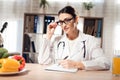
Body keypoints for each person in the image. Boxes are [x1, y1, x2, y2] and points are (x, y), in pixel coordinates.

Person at [38, 6, 110, 70]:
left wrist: (77, 64)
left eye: (67, 20)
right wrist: (48, 36)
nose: (64, 25)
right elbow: (42, 61)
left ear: (76, 19)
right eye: (61, 22)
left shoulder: (90, 40)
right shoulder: (57, 40)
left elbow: (105, 63)